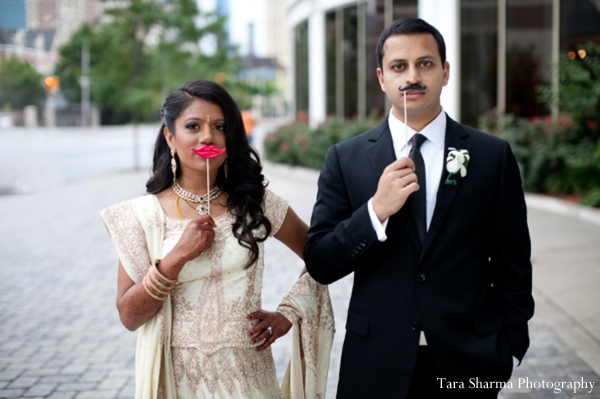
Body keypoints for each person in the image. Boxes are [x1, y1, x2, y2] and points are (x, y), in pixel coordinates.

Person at [304, 18, 534, 398]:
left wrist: (509, 345)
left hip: (469, 360)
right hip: (376, 361)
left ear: (445, 72)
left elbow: (513, 262)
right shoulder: (345, 159)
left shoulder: (492, 155)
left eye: (425, 64)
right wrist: (375, 211)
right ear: (381, 77)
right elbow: (321, 261)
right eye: (399, 66)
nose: (412, 76)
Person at [101, 80, 334, 399]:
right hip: (177, 382)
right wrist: (176, 258)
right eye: (193, 126)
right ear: (171, 136)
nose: (207, 136)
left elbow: (322, 254)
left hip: (248, 381)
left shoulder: (256, 203)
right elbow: (129, 316)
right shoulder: (142, 217)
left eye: (219, 126)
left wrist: (289, 313)